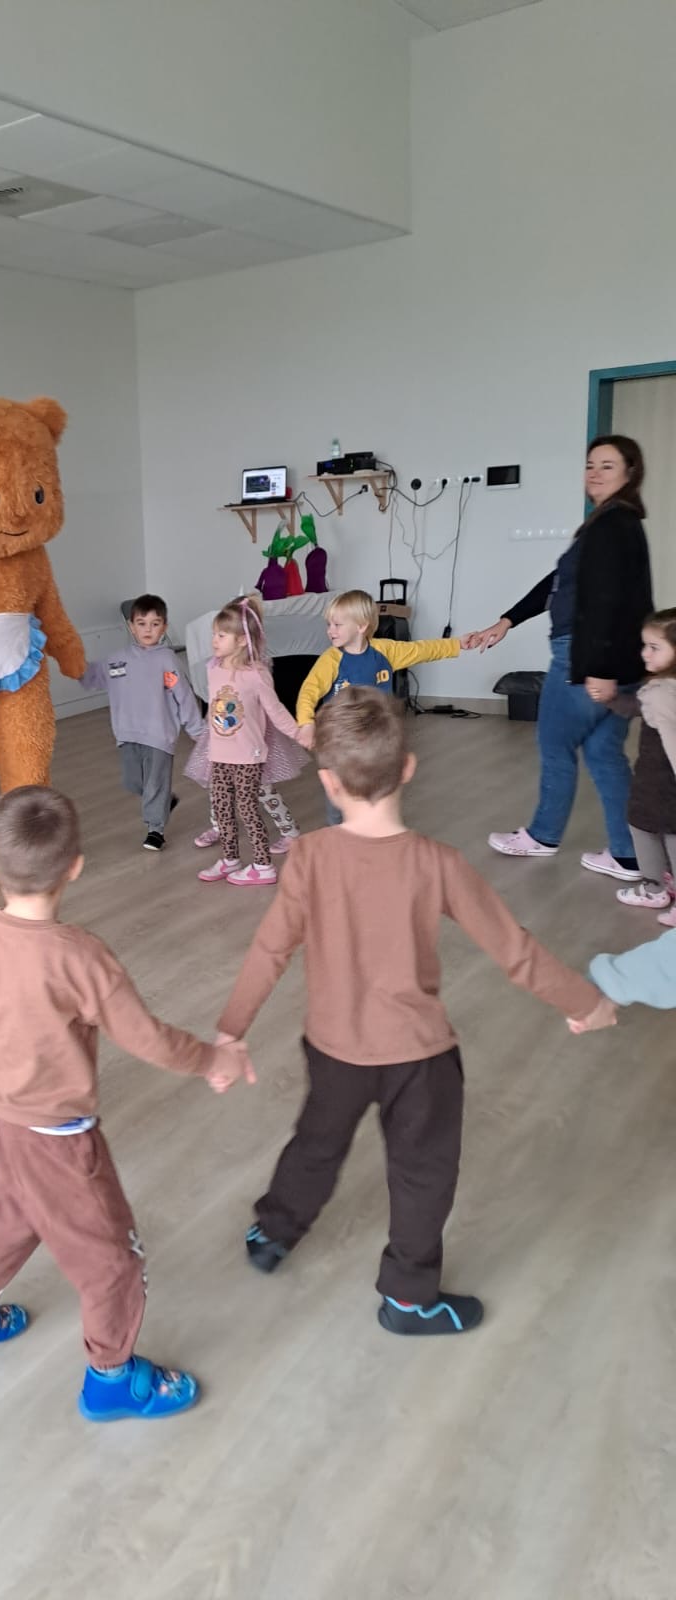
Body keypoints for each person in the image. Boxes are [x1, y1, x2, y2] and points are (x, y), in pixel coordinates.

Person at [216, 689, 613, 1335]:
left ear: (328, 782)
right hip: (420, 1060)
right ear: (408, 769)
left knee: (316, 1142)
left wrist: (230, 1031)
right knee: (422, 1173)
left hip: (333, 1049)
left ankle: (274, 1231)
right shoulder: (439, 864)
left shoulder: (308, 856)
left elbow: (270, 950)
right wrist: (587, 1001)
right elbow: (514, 951)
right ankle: (406, 1299)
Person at [0, 785, 255, 1420]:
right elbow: (148, 1039)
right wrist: (214, 1059)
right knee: (113, 1264)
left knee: (15, 1212)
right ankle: (111, 1378)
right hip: (59, 1141)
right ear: (75, 867)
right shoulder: (81, 956)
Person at [469, 435, 653, 880]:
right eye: (590, 464)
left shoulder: (612, 527)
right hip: (617, 660)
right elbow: (558, 582)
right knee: (605, 754)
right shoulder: (613, 523)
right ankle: (631, 855)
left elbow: (607, 602)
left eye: (607, 466)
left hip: (586, 656)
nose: (595, 473)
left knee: (554, 744)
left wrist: (600, 670)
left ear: (630, 473)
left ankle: (543, 835)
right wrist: (508, 620)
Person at [295, 589, 467, 823]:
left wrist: (457, 645)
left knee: (375, 791)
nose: (330, 630)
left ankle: (373, 829)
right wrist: (306, 723)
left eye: (337, 625)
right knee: (339, 798)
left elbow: (422, 650)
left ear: (361, 626)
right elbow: (309, 690)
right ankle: (339, 833)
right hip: (339, 741)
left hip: (375, 738)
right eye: (329, 624)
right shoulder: (331, 660)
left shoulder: (384, 651)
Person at [80, 593, 204, 851]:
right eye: (142, 623)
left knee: (155, 783)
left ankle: (155, 829)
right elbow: (92, 677)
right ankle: (164, 801)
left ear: (164, 627)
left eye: (155, 624)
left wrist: (196, 729)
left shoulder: (167, 660)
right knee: (133, 781)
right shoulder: (117, 659)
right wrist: (71, 662)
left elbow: (183, 695)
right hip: (126, 734)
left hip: (159, 735)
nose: (148, 630)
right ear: (131, 626)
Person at [196, 594, 305, 887]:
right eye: (214, 634)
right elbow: (214, 708)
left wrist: (299, 733)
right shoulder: (213, 668)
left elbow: (276, 711)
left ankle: (262, 865)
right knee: (222, 807)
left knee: (247, 808)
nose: (214, 640)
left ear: (242, 640)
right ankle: (230, 859)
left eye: (221, 635)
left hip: (248, 755)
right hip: (219, 753)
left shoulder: (257, 674)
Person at [607, 610, 676, 923]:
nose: (645, 653)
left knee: (645, 826)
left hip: (660, 780)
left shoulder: (660, 693)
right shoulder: (664, 688)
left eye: (654, 647)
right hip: (660, 779)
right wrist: (611, 699)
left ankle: (654, 888)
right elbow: (639, 707)